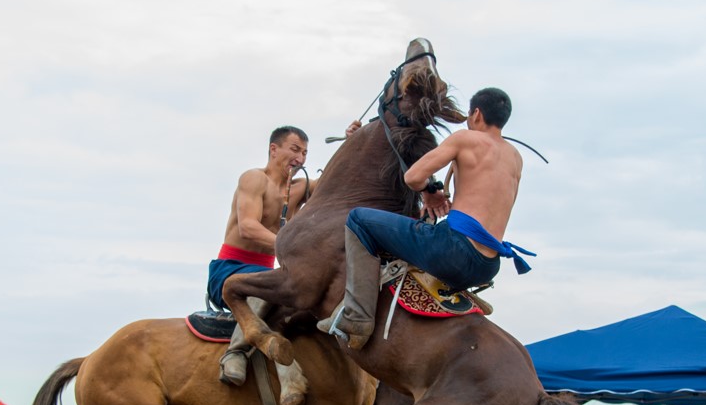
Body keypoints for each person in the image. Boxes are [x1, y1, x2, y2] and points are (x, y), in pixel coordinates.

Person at [319, 87, 535, 349]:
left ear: (476, 113)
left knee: (359, 220)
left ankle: (357, 318)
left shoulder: (466, 139)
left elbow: (413, 177)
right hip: (488, 264)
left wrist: (429, 193)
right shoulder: (515, 157)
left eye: (469, 114)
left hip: (454, 251)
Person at [210, 126, 311, 385]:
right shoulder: (254, 178)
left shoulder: (300, 189)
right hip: (229, 270)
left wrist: (353, 137)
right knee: (276, 283)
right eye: (295, 149)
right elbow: (248, 227)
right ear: (273, 149)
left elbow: (340, 176)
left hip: (268, 274)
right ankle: (236, 353)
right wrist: (287, 245)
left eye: (305, 153)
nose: (300, 158)